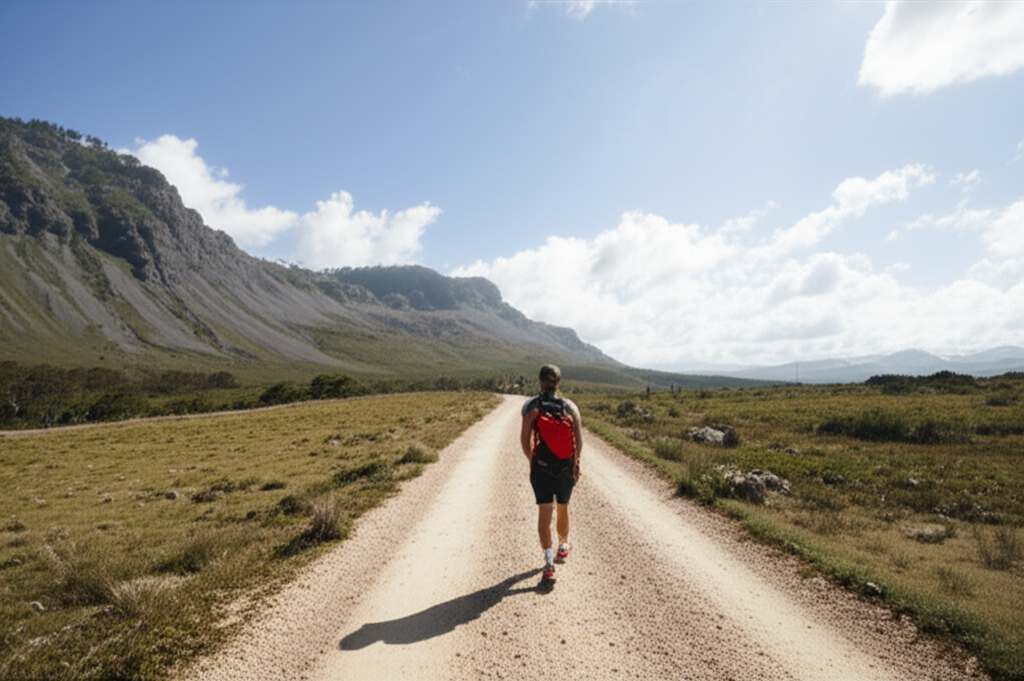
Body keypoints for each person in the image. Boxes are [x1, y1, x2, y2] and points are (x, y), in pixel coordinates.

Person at [520, 364, 583, 582]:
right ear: (558, 383)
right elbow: (579, 441)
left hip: (542, 469)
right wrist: (576, 463)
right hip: (565, 468)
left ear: (540, 381)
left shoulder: (531, 407)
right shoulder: (570, 407)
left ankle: (548, 561)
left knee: (544, 512)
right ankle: (563, 545)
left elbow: (524, 440)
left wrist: (533, 461)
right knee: (563, 506)